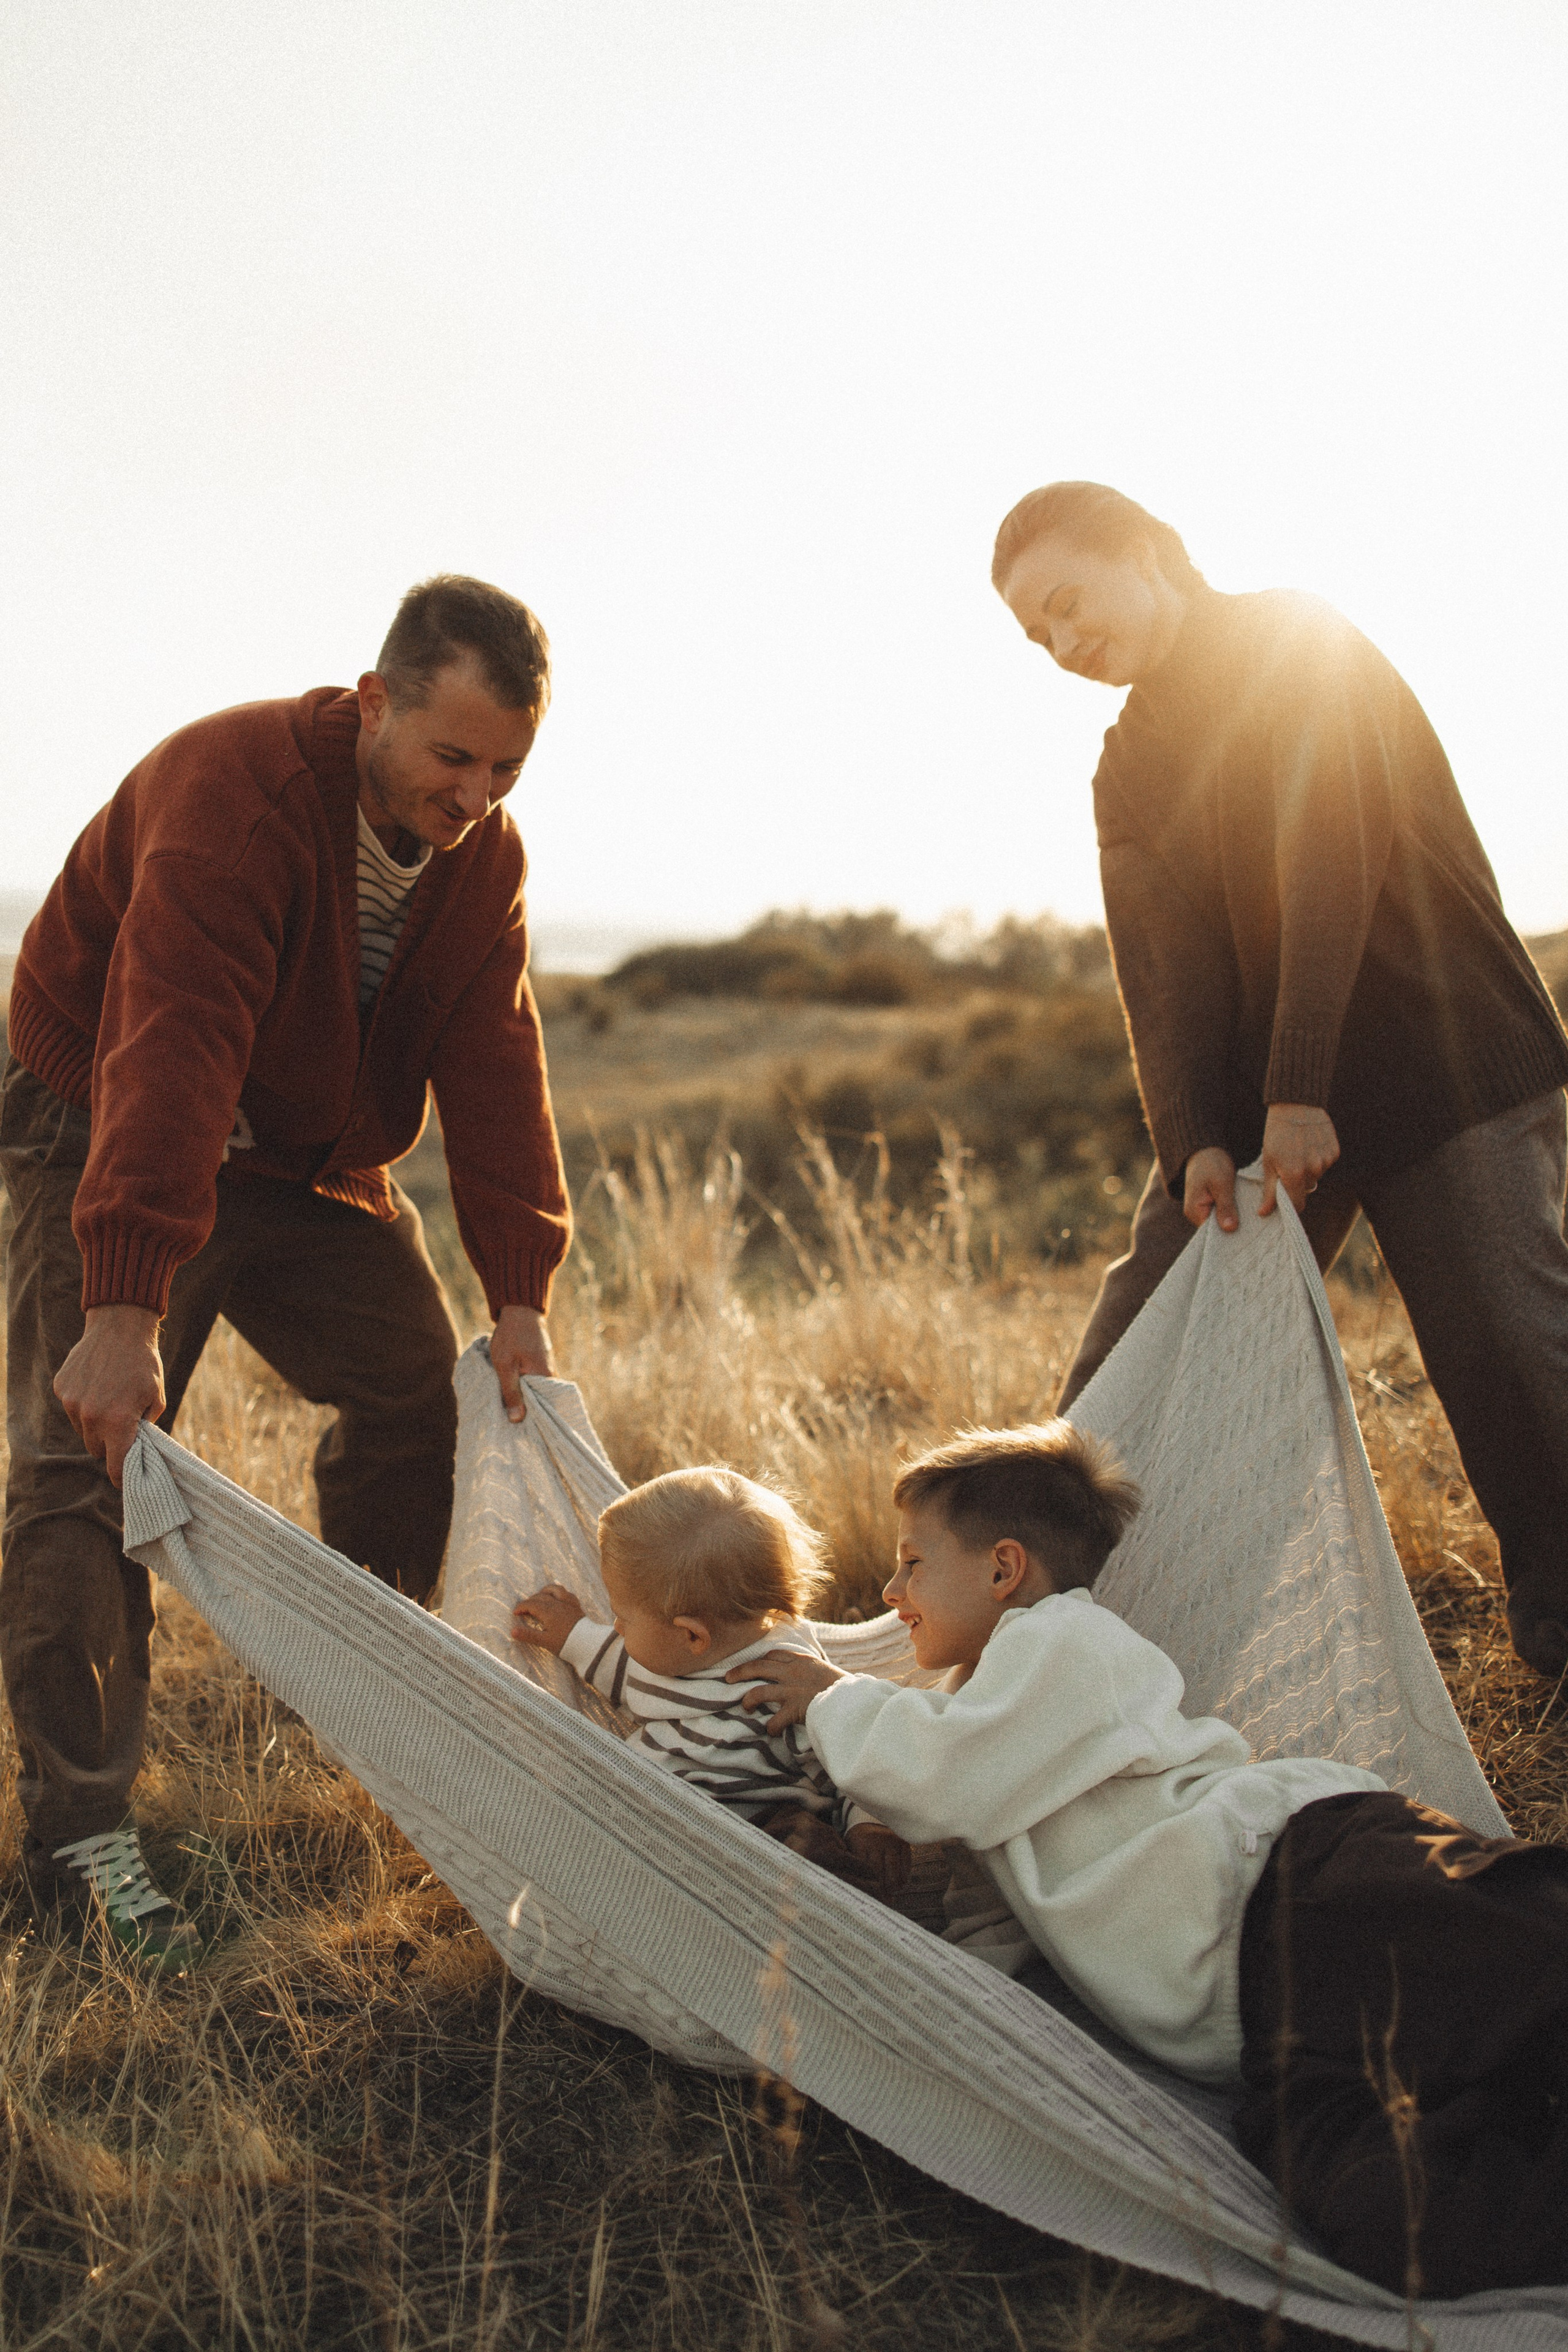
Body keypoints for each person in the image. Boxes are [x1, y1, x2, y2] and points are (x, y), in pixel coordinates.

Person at [1, 575, 572, 1956]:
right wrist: (123, 1305)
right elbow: (173, 1043)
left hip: (301, 1155)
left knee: (415, 1398)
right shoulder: (236, 795)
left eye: (505, 766)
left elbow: (496, 1062)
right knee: (89, 1459)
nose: (476, 792)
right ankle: (83, 1847)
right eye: (453, 757)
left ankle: (352, 1704)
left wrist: (517, 1293)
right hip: (103, 1109)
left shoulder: (481, 859)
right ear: (375, 703)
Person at [736, 1423, 1568, 2298]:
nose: (890, 1587)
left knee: (1533, 1960)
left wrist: (835, 1702)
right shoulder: (980, 1718)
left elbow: (940, 1773)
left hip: (1309, 1877)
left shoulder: (1062, 1643)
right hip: (1269, 2019)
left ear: (1003, 1569)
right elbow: (999, 1929)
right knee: (1392, 2224)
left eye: (912, 1563)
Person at [989, 480, 1568, 1679]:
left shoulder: (1300, 645)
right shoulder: (1128, 765)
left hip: (1446, 1067)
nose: (1059, 644)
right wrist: (1193, 1136)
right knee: (1133, 1361)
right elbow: (1163, 968)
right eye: (1034, 636)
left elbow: (1330, 853)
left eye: (1064, 603)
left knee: (1510, 1367)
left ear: (1147, 553)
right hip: (1261, 1114)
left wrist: (1295, 1084)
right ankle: (1047, 1673)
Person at [512, 1466, 910, 1900]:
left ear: (690, 1635)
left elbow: (856, 1757)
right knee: (573, 1819)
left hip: (764, 1830)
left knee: (814, 1858)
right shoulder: (659, 1658)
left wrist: (869, 1823)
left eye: (623, 1617)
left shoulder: (791, 1683)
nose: (616, 1627)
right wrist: (572, 1634)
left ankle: (849, 1938)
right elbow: (611, 1661)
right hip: (656, 1820)